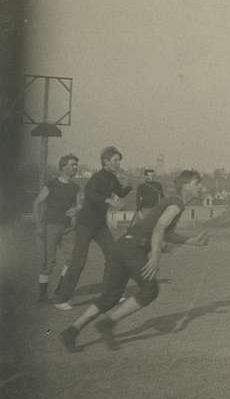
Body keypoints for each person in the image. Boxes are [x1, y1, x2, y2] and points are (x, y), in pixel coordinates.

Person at [59, 169, 209, 352]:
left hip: (120, 247)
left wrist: (192, 241)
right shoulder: (176, 203)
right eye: (197, 183)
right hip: (132, 250)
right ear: (185, 186)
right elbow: (159, 228)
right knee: (150, 290)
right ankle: (108, 323)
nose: (201, 187)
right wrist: (154, 257)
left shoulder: (173, 202)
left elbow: (166, 232)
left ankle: (71, 331)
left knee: (110, 297)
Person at [52, 146, 131, 310]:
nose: (118, 163)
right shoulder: (97, 177)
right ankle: (60, 299)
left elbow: (121, 193)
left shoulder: (112, 178)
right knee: (79, 261)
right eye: (115, 160)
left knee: (113, 256)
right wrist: (109, 201)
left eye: (119, 160)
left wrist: (128, 185)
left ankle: (110, 292)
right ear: (106, 161)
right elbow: (90, 194)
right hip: (85, 224)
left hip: (100, 225)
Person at [32, 154, 82, 302]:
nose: (75, 167)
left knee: (71, 259)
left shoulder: (75, 187)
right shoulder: (51, 184)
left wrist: (77, 210)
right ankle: (42, 296)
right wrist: (38, 225)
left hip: (68, 229)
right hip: (51, 227)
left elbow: (80, 204)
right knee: (49, 262)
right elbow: (36, 203)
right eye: (72, 165)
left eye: (76, 165)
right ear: (63, 167)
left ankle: (60, 290)